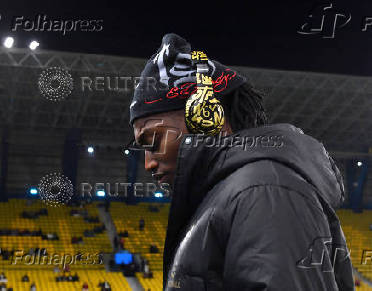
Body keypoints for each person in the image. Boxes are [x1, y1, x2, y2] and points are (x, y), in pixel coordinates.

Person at [129, 33, 354, 290]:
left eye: (154, 140)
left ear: (209, 118)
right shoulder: (236, 194)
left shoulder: (265, 190)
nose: (147, 163)